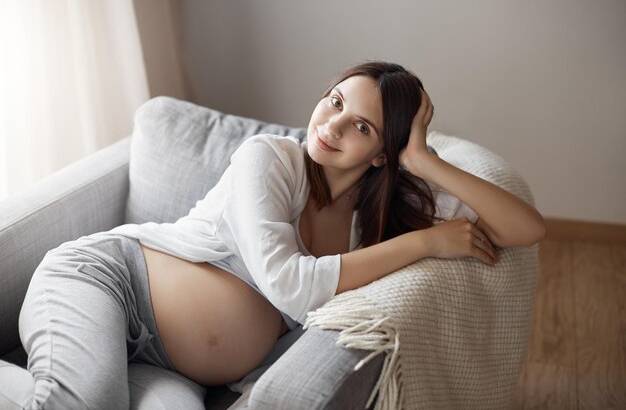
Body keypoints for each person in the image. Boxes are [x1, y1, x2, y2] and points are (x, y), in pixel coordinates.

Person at [0, 61, 545, 409]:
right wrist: (425, 243)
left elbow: (525, 229)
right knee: (81, 402)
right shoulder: (270, 159)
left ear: (384, 154)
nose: (331, 125)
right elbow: (290, 286)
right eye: (335, 101)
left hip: (166, 366)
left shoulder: (373, 219)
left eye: (361, 125)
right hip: (107, 282)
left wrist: (422, 158)